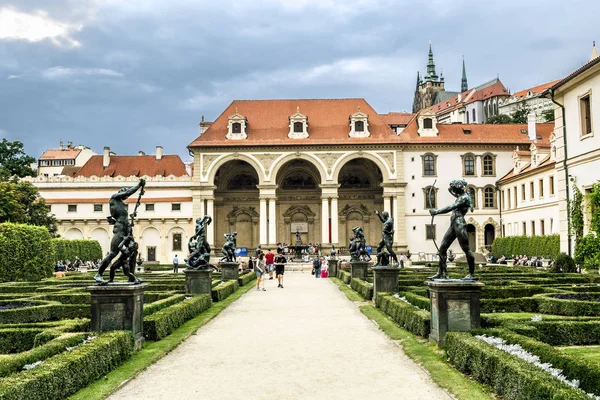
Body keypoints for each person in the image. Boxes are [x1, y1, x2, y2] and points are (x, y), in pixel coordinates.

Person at [95, 178, 145, 284]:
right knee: (113, 253)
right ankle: (98, 274)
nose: (126, 196)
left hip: (126, 230)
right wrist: (139, 185)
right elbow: (128, 192)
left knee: (134, 252)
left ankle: (132, 277)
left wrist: (130, 221)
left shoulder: (122, 204)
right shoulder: (113, 198)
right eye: (124, 194)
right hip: (119, 231)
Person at [428, 179, 476, 280]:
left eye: (454, 188)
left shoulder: (464, 198)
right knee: (442, 248)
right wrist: (451, 188)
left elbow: (451, 207)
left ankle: (471, 274)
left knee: (466, 249)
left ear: (458, 188)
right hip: (454, 224)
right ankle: (440, 273)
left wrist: (436, 211)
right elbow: (452, 192)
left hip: (459, 224)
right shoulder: (460, 196)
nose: (453, 190)